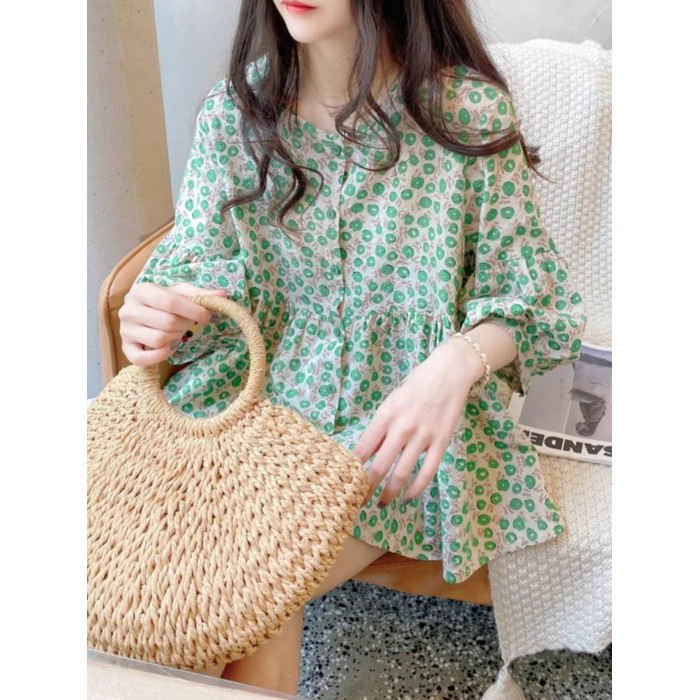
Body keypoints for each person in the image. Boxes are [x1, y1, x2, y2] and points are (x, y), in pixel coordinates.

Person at [119, 0, 587, 693]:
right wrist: (158, 314)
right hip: (253, 408)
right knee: (198, 610)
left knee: (240, 592)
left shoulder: (466, 114)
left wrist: (455, 363)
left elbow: (535, 299)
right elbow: (199, 277)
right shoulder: (233, 113)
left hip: (397, 425)